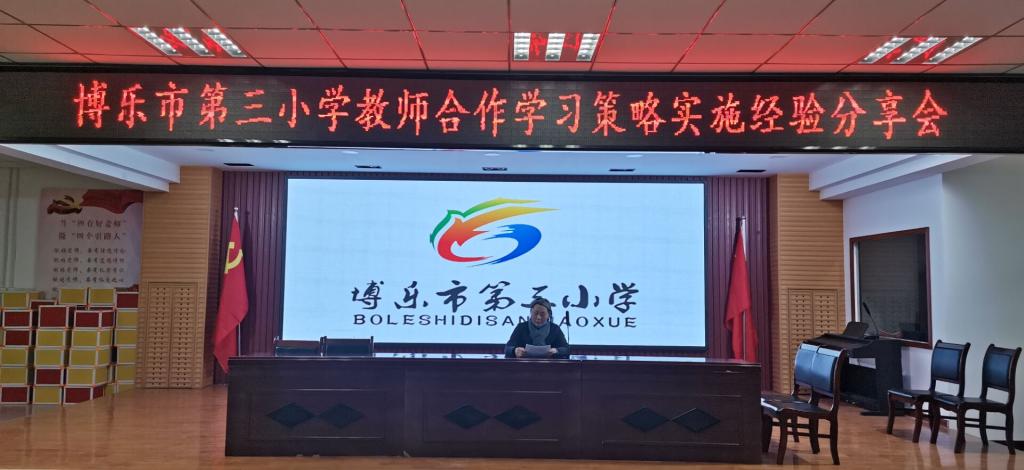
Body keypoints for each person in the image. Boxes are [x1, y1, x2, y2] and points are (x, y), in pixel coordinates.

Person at [504, 297, 570, 358]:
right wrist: (515, 351)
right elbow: (507, 349)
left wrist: (557, 351)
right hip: (525, 364)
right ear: (531, 312)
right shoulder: (521, 327)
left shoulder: (555, 329)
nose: (538, 317)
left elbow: (566, 349)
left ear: (549, 315)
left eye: (542, 314)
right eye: (535, 313)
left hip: (549, 365)